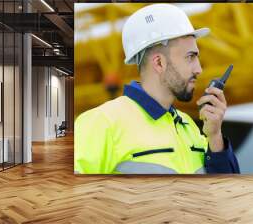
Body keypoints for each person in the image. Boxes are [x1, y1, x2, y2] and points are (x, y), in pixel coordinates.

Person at [74, 3, 240, 174]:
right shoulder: (102, 122)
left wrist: (215, 137)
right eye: (190, 57)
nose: (198, 69)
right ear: (159, 63)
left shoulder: (188, 126)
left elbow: (222, 194)